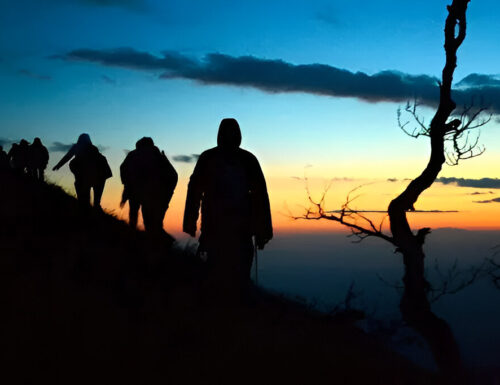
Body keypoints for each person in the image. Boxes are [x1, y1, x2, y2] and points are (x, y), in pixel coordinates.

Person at [183, 118, 273, 300]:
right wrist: (263, 231)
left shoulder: (212, 158)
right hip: (223, 230)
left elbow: (260, 196)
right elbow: (260, 196)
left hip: (231, 230)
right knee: (226, 276)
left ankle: (227, 315)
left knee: (227, 276)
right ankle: (228, 315)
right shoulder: (245, 159)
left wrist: (263, 230)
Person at [120, 137, 177, 235]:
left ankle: (133, 237)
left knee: (134, 214)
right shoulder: (158, 155)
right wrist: (166, 195)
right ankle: (154, 241)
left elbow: (124, 170)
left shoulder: (133, 155)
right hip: (155, 193)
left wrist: (126, 190)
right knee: (152, 221)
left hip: (136, 190)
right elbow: (173, 175)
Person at [52, 133, 112, 210]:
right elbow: (68, 156)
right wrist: (59, 165)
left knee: (85, 197)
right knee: (93, 200)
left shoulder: (78, 147)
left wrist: (58, 165)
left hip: (92, 175)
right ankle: (93, 209)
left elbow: (68, 156)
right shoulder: (93, 149)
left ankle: (89, 209)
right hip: (97, 176)